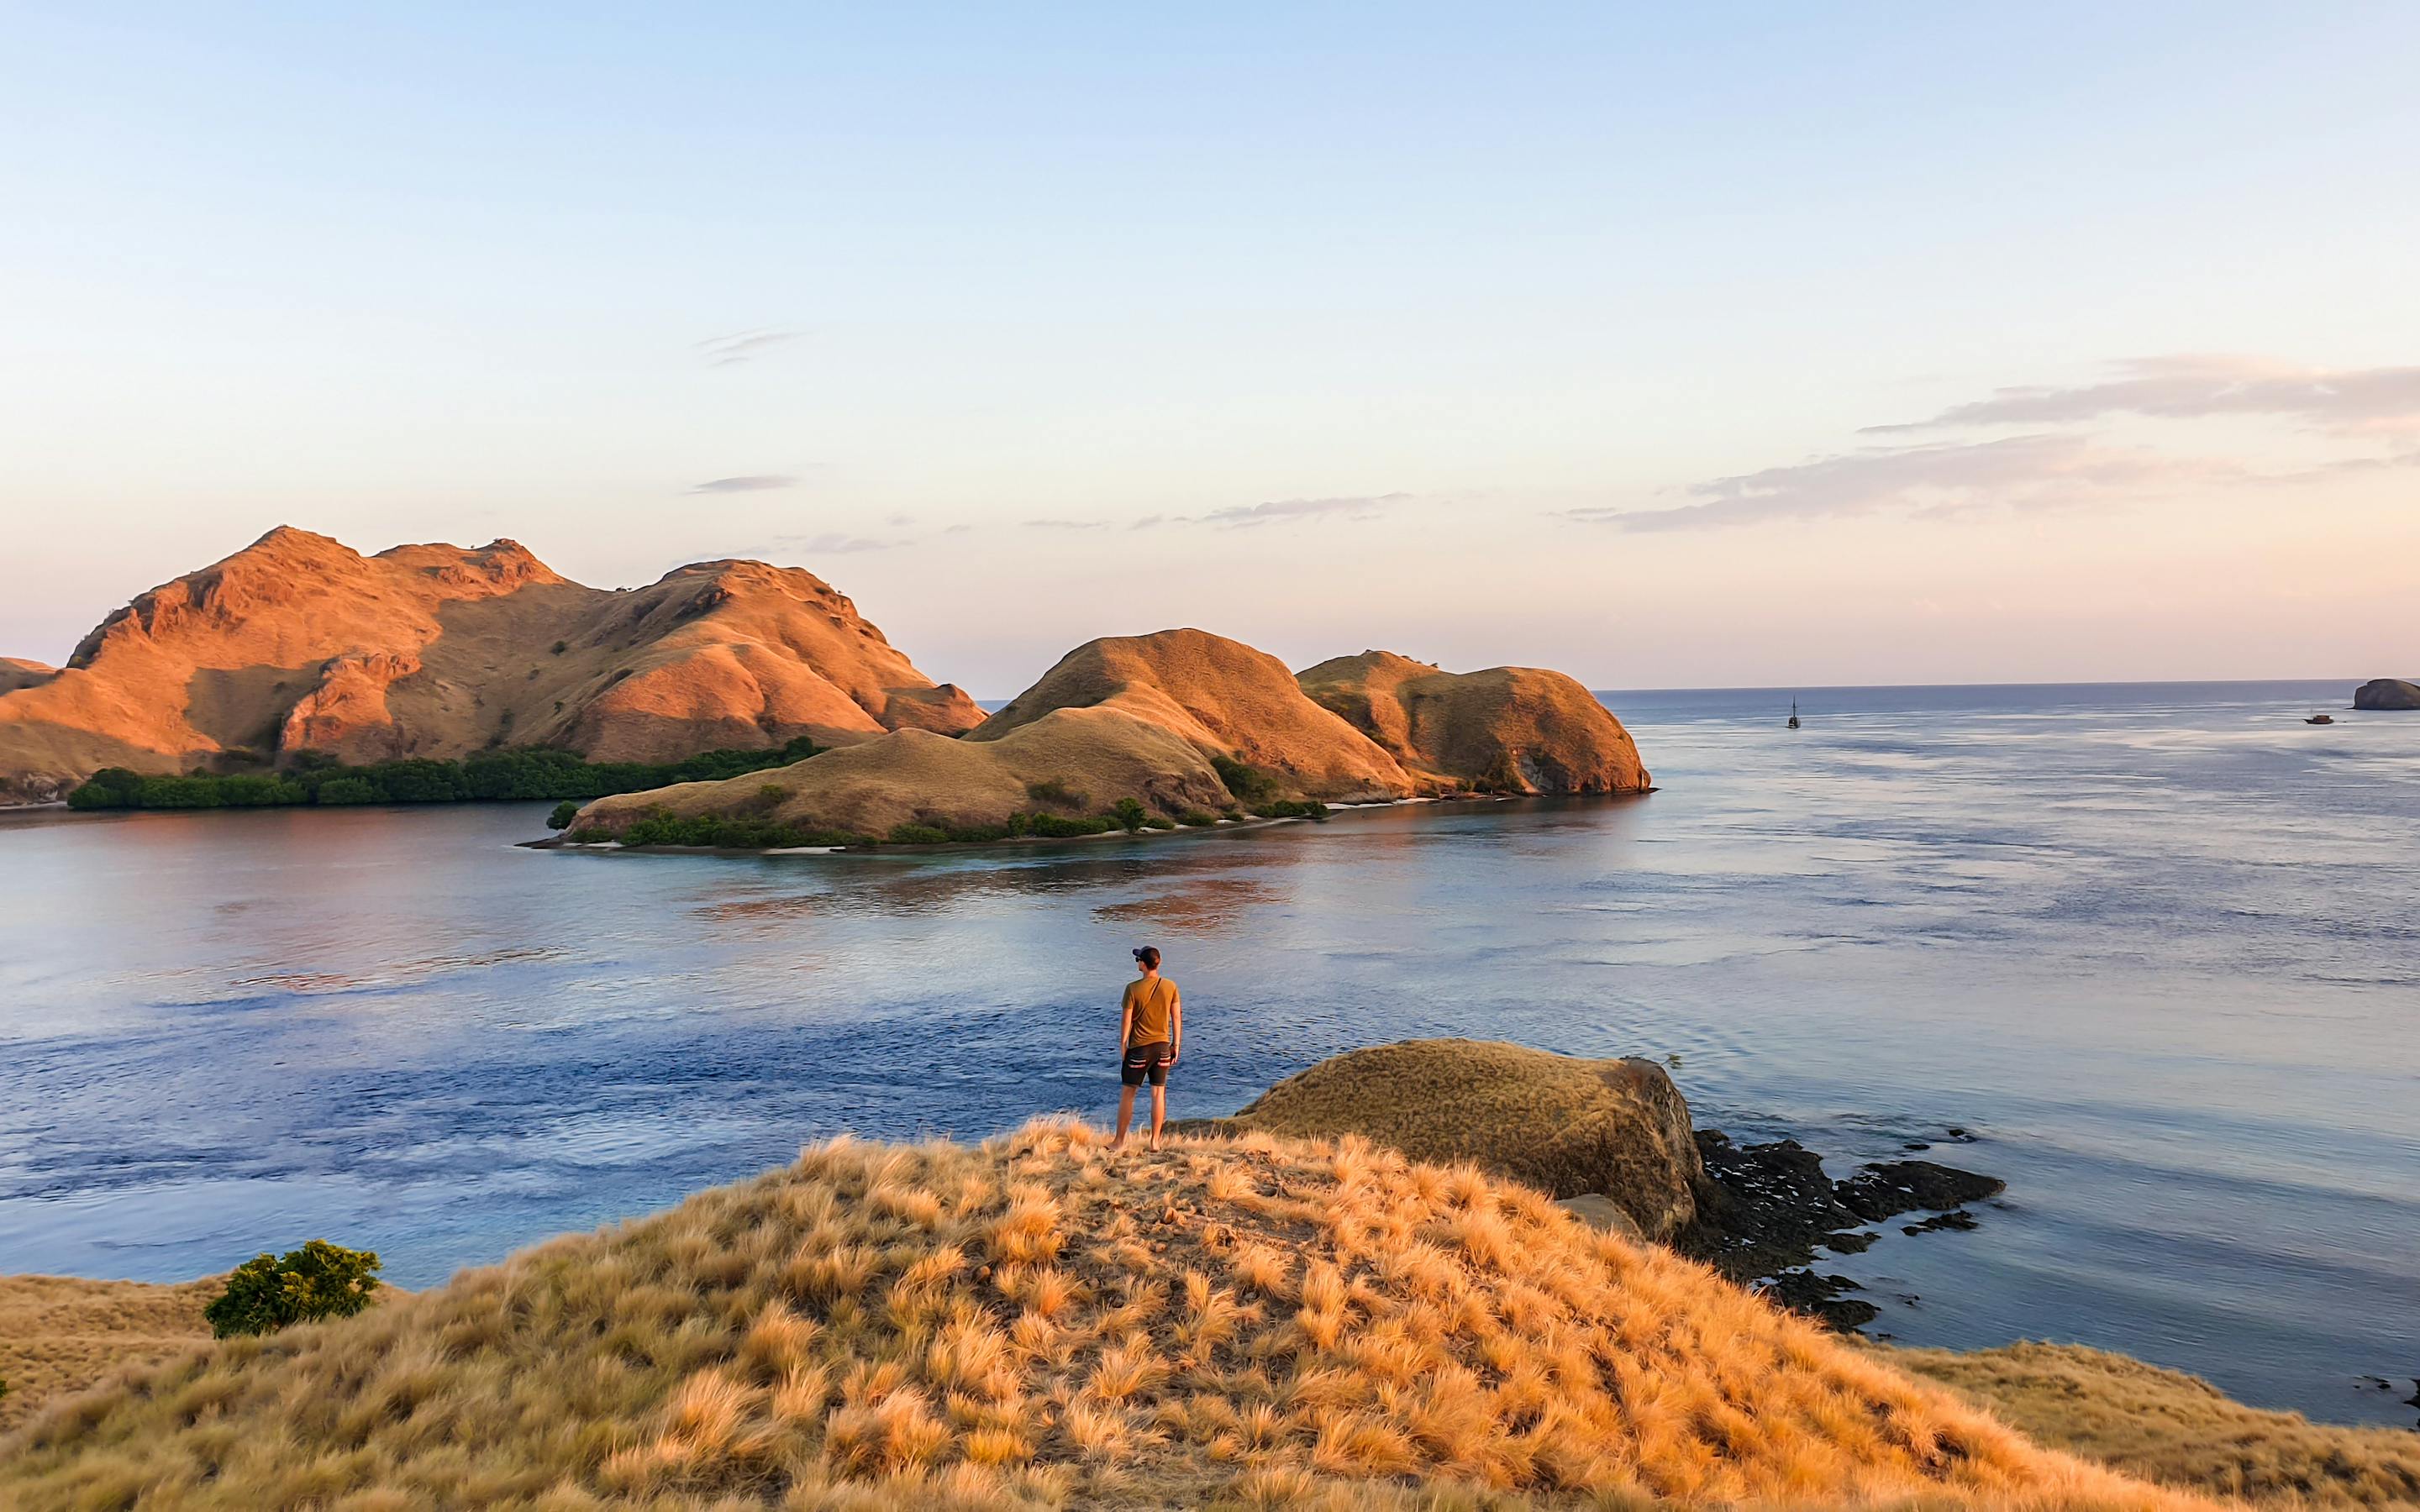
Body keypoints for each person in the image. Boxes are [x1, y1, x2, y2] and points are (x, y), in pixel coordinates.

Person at [1111, 945, 1181, 1152]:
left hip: (1139, 1048)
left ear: (1143, 964)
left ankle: (1119, 1142)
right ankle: (1155, 1142)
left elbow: (1126, 1022)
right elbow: (1176, 1017)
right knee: (1158, 1094)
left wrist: (1123, 1045)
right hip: (1162, 1048)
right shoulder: (1171, 986)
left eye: (1138, 960)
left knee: (1128, 1094)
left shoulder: (1132, 989)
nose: (1137, 963)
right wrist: (1176, 1045)